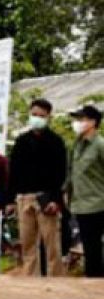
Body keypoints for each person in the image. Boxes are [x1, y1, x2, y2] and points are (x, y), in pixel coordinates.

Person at [4, 99, 67, 276]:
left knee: (51, 243)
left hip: (46, 197)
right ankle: (31, 279)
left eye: (41, 116)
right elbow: (13, 173)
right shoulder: (21, 141)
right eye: (34, 115)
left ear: (48, 117)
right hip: (24, 197)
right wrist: (10, 200)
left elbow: (60, 173)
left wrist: (55, 199)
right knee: (27, 243)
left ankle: (56, 278)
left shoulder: (56, 142)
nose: (37, 118)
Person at [66, 105, 104, 278]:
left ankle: (96, 282)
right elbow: (72, 172)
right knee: (89, 247)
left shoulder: (100, 145)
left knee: (94, 247)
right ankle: (93, 281)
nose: (78, 123)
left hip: (98, 203)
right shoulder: (78, 145)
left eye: (82, 119)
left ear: (93, 122)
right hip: (81, 204)